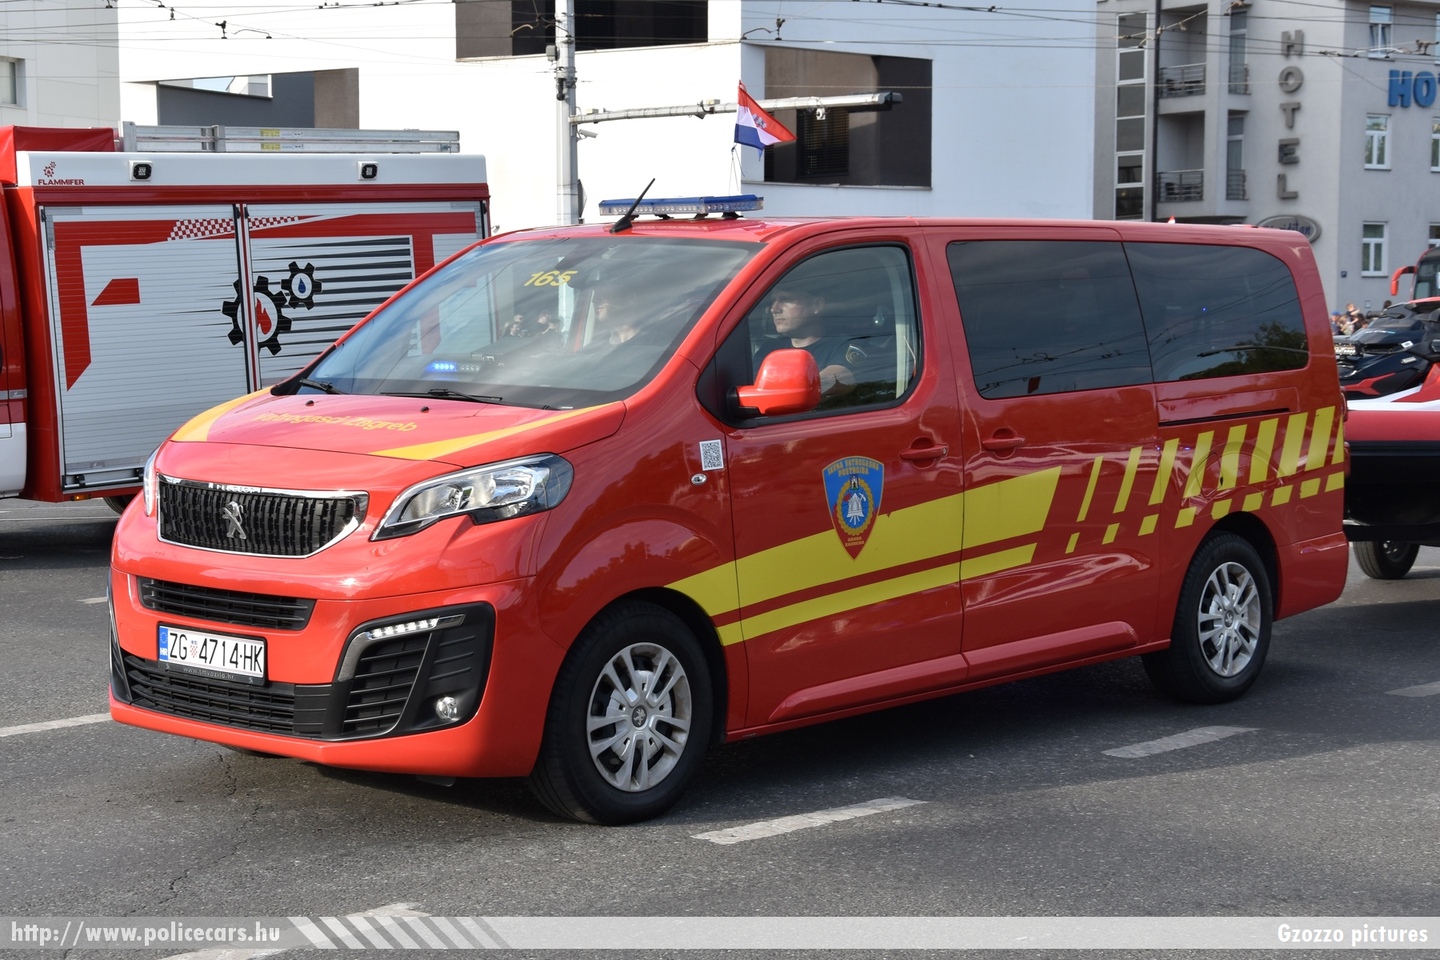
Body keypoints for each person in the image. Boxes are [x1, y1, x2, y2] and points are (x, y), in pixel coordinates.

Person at [759, 282, 861, 399]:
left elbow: (840, 377)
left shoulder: (844, 345)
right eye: (773, 301)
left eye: (786, 299)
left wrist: (787, 391)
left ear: (816, 305)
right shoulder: (768, 351)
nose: (774, 309)